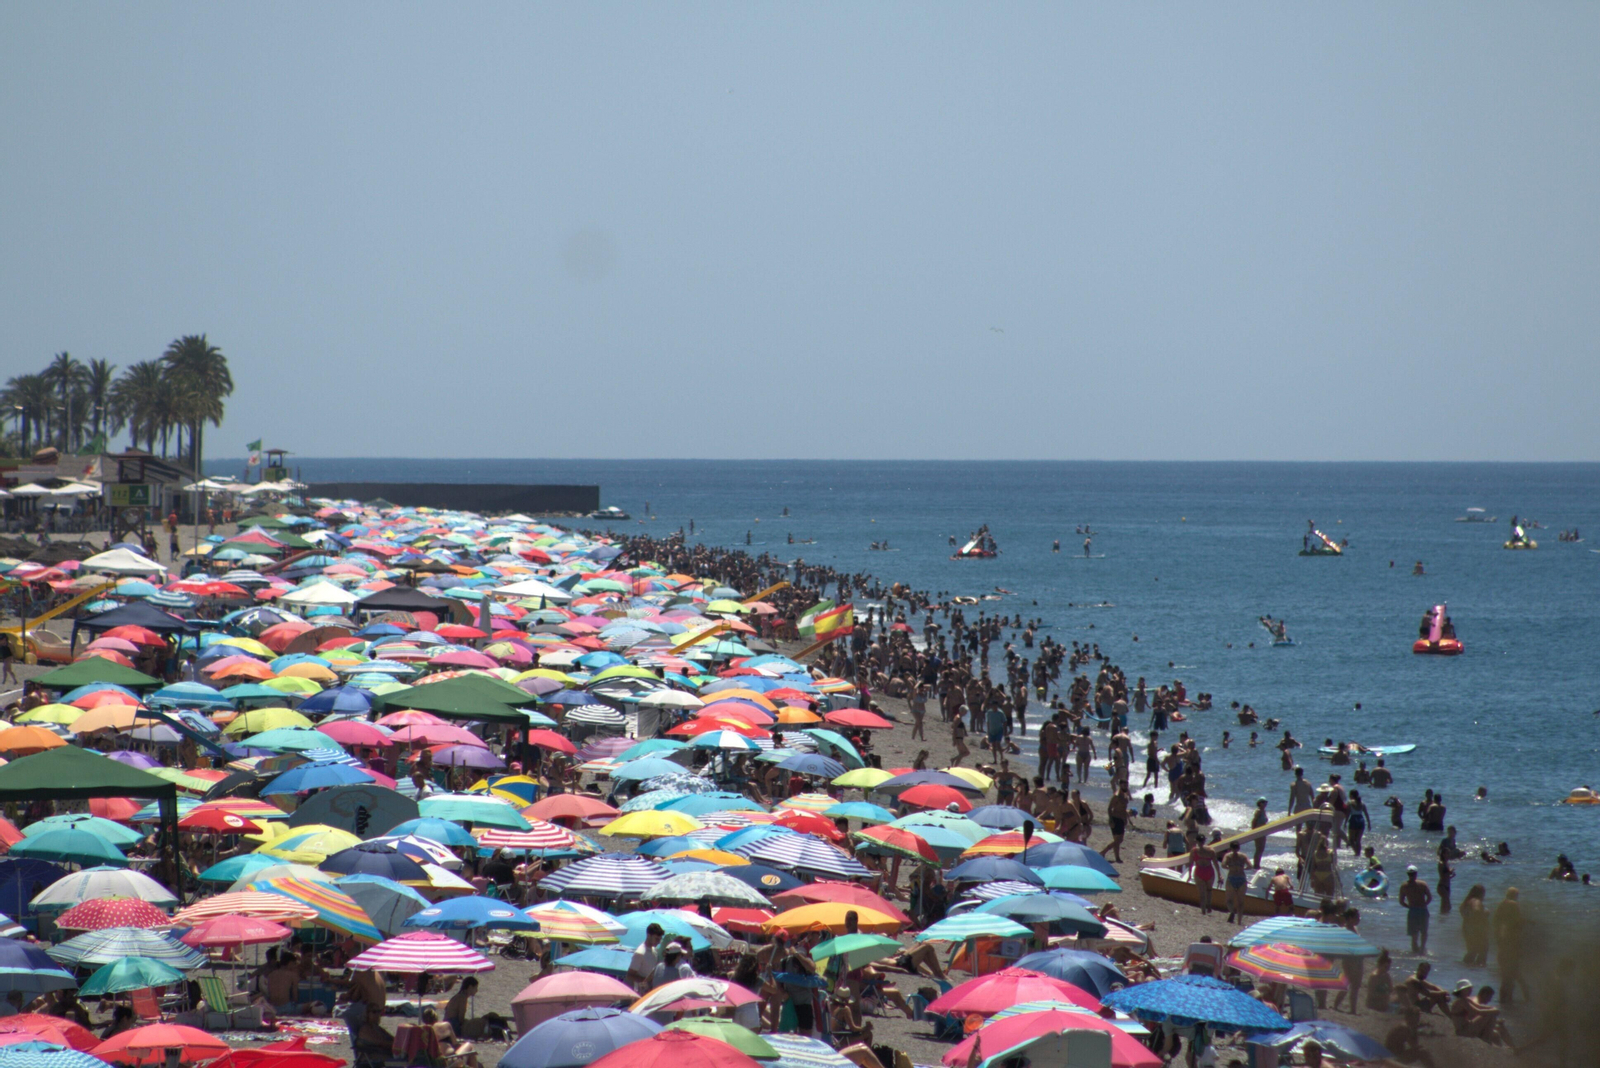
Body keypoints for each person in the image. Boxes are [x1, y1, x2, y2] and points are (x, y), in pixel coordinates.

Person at [1491, 887, 1526, 1005]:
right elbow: (1518, 922)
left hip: (1502, 943)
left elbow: (1496, 922)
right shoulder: (1514, 905)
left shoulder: (1501, 905)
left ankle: (1503, 1001)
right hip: (1512, 943)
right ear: (1515, 895)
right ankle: (1512, 1001)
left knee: (1505, 975)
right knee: (1512, 973)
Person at [1398, 865, 1433, 955]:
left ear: (1407, 874)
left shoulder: (1404, 886)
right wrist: (1424, 904)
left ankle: (1415, 951)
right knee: (1424, 932)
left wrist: (1409, 906)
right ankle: (1422, 949)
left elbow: (1401, 901)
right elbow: (1429, 897)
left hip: (1413, 911)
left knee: (1414, 934)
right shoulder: (1422, 884)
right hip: (1422, 910)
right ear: (1416, 874)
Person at [1459, 884, 1490, 966]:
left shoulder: (1467, 901)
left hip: (1467, 928)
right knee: (1484, 949)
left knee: (1473, 951)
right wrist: (1484, 914)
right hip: (1476, 929)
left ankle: (1467, 966)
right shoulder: (1476, 901)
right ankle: (1479, 968)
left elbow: (1462, 912)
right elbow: (1476, 911)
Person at [629, 923, 664, 992]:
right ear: (649, 936)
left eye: (660, 939)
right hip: (641, 992)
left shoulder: (654, 949)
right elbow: (630, 975)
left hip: (651, 991)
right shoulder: (640, 953)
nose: (659, 942)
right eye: (656, 939)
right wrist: (647, 981)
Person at [1221, 843, 1250, 923]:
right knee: (1241, 902)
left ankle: (1232, 911)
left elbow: (1223, 865)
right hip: (1241, 877)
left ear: (1230, 848)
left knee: (1229, 900)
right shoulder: (1243, 856)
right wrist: (1243, 868)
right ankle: (1239, 921)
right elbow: (1250, 866)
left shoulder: (1228, 856)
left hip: (1232, 877)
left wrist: (1230, 868)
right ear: (1239, 848)